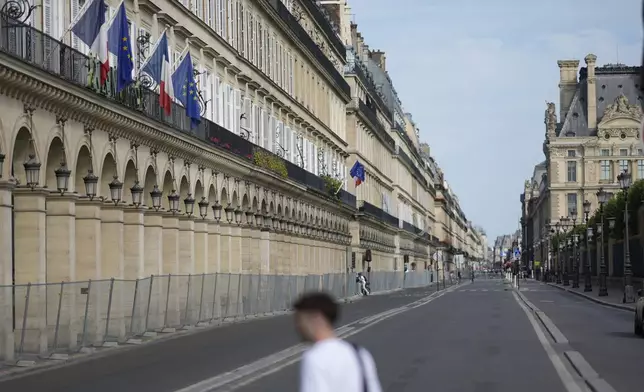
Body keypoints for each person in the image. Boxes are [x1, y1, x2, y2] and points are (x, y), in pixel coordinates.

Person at [293, 292, 383, 392]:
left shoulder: (315, 358)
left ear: (316, 319)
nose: (298, 327)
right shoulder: (360, 353)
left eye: (300, 321)